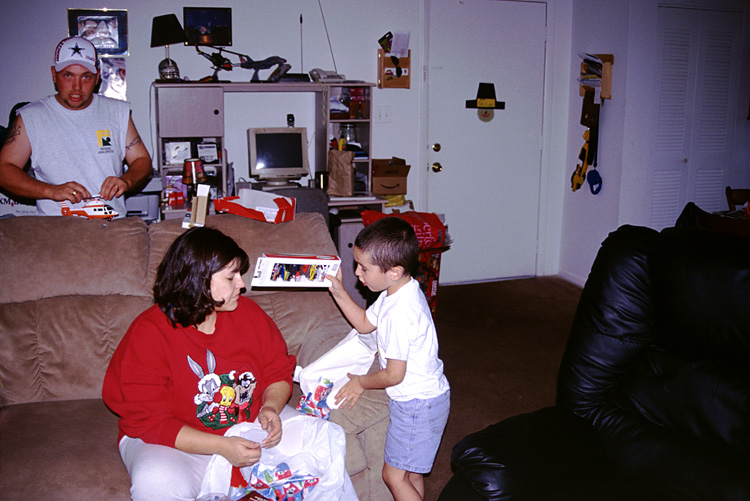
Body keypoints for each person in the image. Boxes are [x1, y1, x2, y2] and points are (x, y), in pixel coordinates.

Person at [102, 227, 296, 499]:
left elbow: (278, 368)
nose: (242, 284)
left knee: (321, 440)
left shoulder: (248, 313)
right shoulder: (150, 332)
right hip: (172, 442)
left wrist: (272, 407)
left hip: (247, 427)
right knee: (155, 483)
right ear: (200, 281)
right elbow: (150, 421)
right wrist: (222, 446)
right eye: (231, 277)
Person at [327, 216, 451, 501]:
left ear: (393, 271)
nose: (357, 272)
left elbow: (394, 374)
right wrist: (339, 291)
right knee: (410, 473)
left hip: (417, 406)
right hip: (428, 399)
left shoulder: (399, 312)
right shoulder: (397, 292)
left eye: (364, 268)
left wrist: (360, 382)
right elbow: (364, 323)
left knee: (392, 476)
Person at [0, 36, 152, 217]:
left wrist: (126, 181)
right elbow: (4, 169)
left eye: (86, 77)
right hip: (57, 228)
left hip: (111, 226)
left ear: (96, 78)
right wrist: (51, 191)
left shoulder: (118, 111)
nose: (77, 87)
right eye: (68, 75)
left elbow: (141, 160)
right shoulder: (30, 116)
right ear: (54, 75)